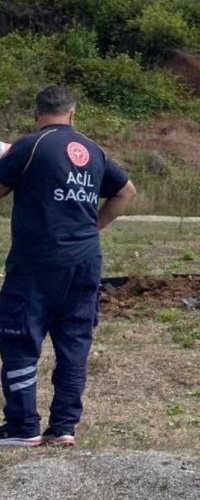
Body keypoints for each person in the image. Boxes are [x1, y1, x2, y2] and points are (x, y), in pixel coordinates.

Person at [0, 86, 136, 447]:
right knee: (74, 344)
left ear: (36, 114)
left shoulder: (30, 146)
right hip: (85, 263)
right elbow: (126, 192)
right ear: (73, 114)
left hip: (36, 263)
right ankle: (63, 427)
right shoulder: (94, 150)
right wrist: (94, 227)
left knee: (19, 340)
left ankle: (22, 426)